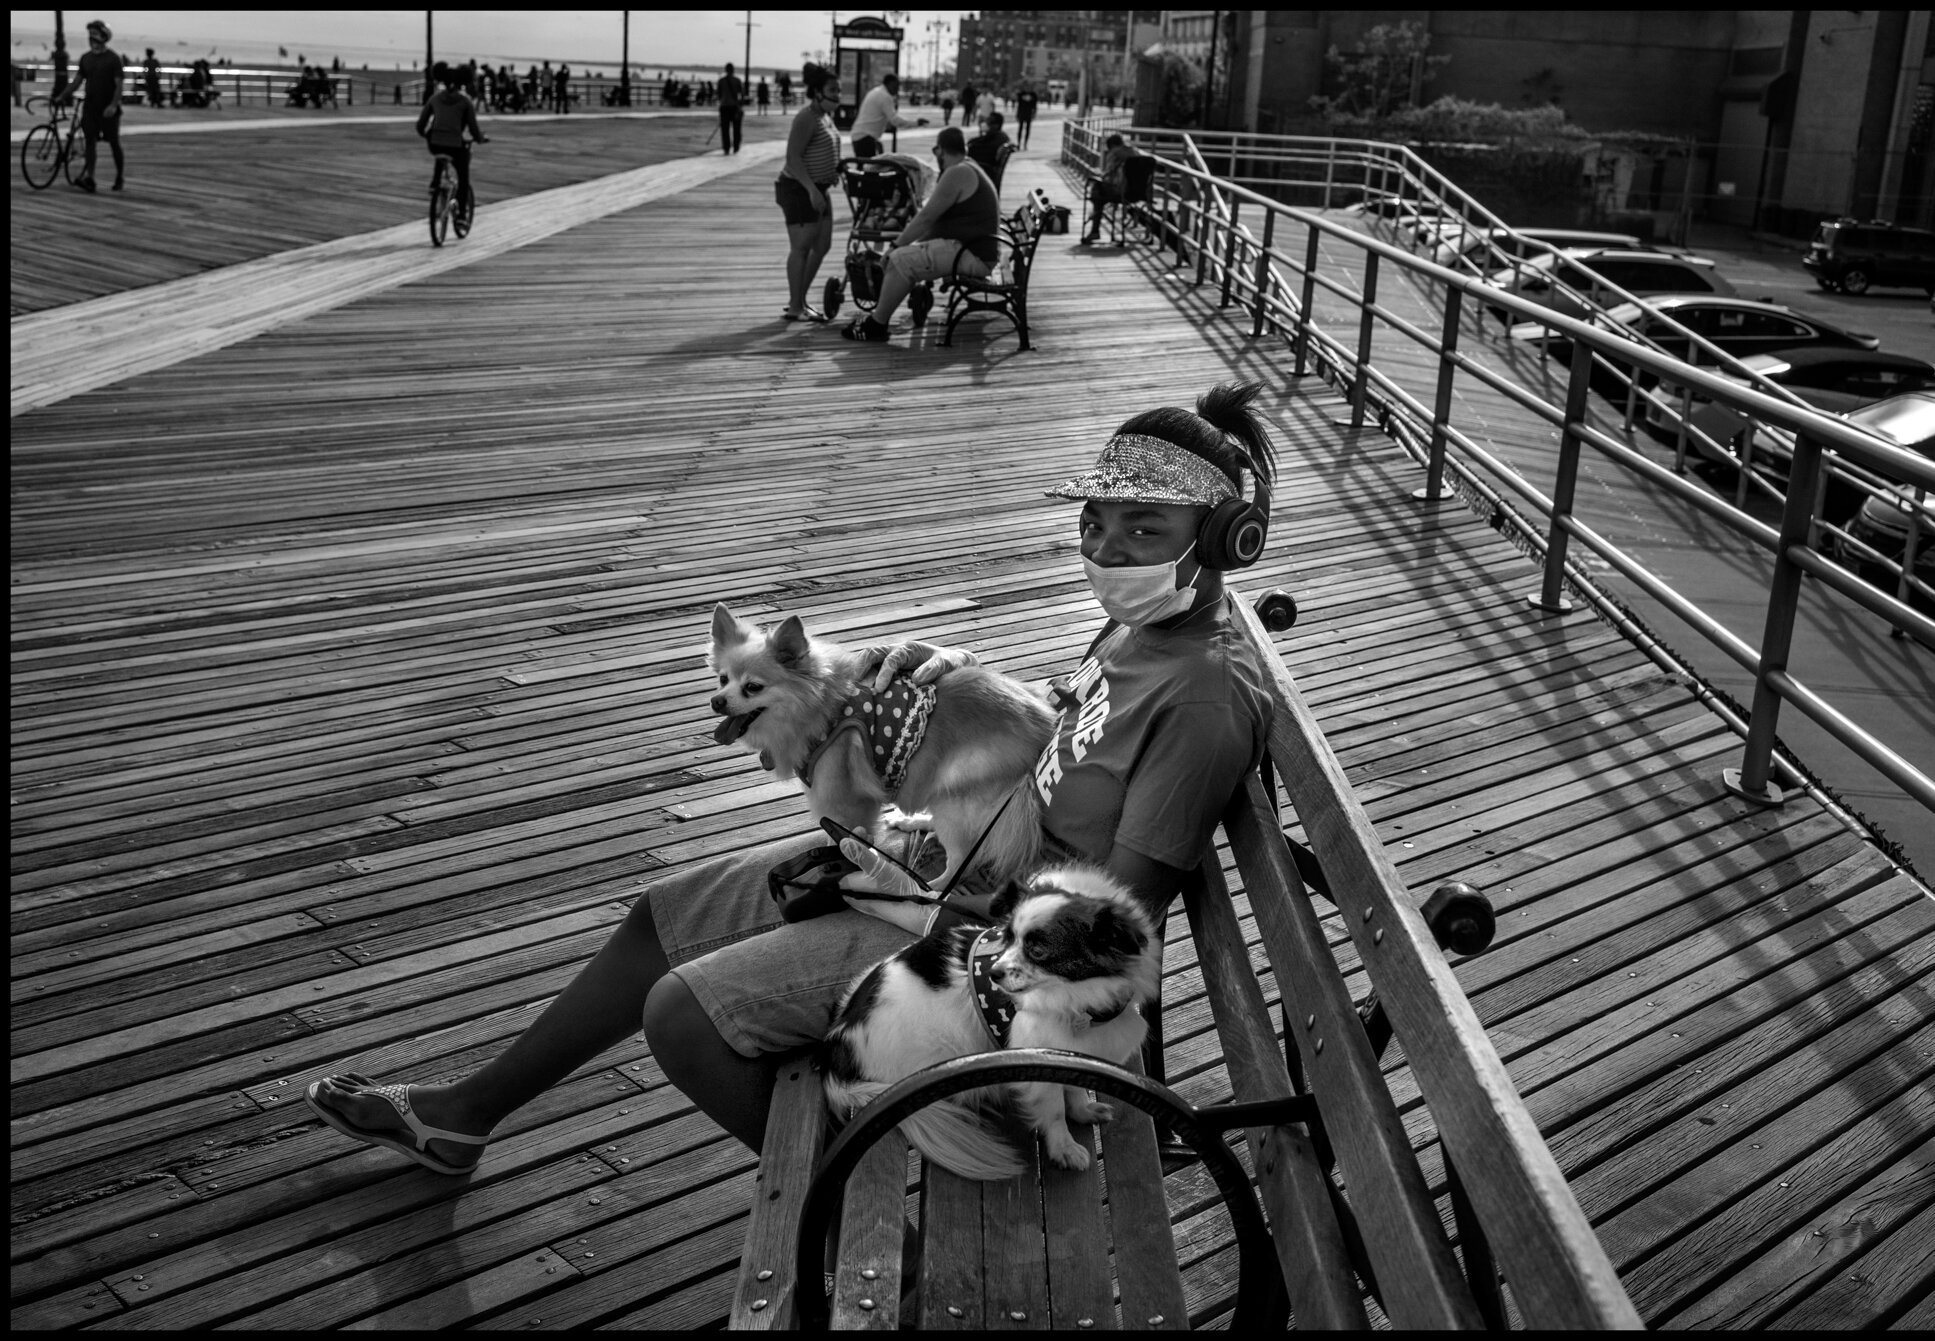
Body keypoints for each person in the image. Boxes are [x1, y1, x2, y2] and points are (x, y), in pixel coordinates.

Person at [305, 379, 1280, 1185]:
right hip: (964, 866)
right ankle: (465, 1115)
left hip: (996, 948)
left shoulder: (1200, 696)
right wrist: (945, 699)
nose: (1105, 553)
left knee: (683, 1018)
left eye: (1140, 532)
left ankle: (863, 1230)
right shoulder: (1150, 626)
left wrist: (925, 905)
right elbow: (1077, 742)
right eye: (1094, 523)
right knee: (663, 916)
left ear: (1224, 538)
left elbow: (1106, 931)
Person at [840, 126, 998, 344]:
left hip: (972, 254)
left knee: (899, 260)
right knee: (905, 255)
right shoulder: (969, 168)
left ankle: (877, 324)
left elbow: (926, 218)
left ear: (941, 151)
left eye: (936, 151)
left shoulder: (957, 172)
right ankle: (878, 319)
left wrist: (896, 247)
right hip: (973, 249)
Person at [773, 63, 843, 323]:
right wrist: (811, 189)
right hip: (799, 189)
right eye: (832, 90)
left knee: (822, 246)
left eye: (839, 90)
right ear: (817, 91)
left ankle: (800, 300)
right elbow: (793, 158)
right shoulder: (806, 117)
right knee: (801, 248)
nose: (838, 95)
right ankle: (794, 307)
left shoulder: (825, 116)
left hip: (820, 188)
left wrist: (833, 170)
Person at [55, 19, 123, 193]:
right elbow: (77, 81)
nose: (92, 38)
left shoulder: (113, 59)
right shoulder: (86, 58)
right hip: (90, 107)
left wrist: (114, 105)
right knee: (90, 142)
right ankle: (90, 178)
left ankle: (119, 176)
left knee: (113, 142)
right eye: (90, 34)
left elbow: (119, 85)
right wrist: (62, 96)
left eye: (95, 34)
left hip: (108, 108)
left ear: (104, 36)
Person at [416, 62, 488, 222]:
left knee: (440, 152)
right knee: (463, 177)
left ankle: (435, 183)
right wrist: (480, 139)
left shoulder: (434, 99)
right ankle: (462, 214)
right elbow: (473, 129)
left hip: (435, 144)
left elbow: (420, 125)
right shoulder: (465, 101)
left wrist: (427, 135)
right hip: (455, 145)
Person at [849, 71, 926, 160]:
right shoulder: (885, 96)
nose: (897, 90)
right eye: (895, 86)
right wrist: (916, 123)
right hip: (865, 138)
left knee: (866, 168)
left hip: (861, 136)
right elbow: (895, 120)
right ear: (889, 84)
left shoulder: (876, 91)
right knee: (870, 171)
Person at [1080, 133, 1136, 245]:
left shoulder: (1114, 153)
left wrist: (1099, 174)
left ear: (1111, 145)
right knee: (1099, 190)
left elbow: (1108, 175)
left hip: (1119, 191)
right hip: (1137, 193)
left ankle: (1095, 229)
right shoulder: (1135, 153)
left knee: (1097, 192)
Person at [966, 110, 1012, 183]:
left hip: (983, 170)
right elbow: (979, 140)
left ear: (996, 125)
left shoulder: (997, 138)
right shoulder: (999, 136)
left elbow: (984, 149)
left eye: (989, 122)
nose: (986, 124)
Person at [715, 61, 744, 155]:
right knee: (737, 129)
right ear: (733, 70)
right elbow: (741, 95)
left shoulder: (721, 81)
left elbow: (719, 95)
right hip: (734, 107)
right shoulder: (737, 81)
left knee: (725, 130)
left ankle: (726, 148)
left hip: (724, 107)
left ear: (726, 70)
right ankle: (736, 147)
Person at [1015, 84, 1038, 149]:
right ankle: (1019, 143)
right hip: (1022, 113)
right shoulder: (1021, 94)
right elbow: (1019, 105)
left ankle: (1025, 144)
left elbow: (1035, 106)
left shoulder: (1033, 95)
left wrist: (1034, 114)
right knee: (1020, 129)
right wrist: (1017, 114)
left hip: (1029, 114)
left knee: (1028, 129)